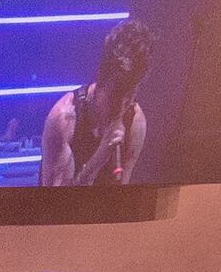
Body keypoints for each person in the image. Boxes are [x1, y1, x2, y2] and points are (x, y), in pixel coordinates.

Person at [38, 19, 152, 186]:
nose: (120, 108)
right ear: (100, 78)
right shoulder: (64, 120)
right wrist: (99, 158)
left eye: (128, 97)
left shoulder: (135, 121)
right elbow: (57, 203)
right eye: (115, 96)